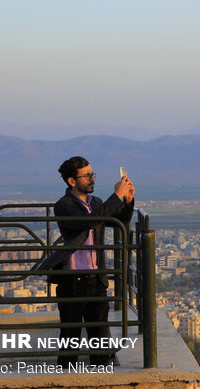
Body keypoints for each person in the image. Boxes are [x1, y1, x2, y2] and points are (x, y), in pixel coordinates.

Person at [39, 156, 135, 368]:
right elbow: (88, 222)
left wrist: (127, 201)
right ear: (72, 181)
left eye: (93, 174)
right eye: (87, 175)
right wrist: (116, 196)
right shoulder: (63, 205)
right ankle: (65, 379)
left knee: (100, 340)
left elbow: (120, 221)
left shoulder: (98, 202)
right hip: (72, 281)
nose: (92, 179)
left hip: (96, 279)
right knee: (70, 338)